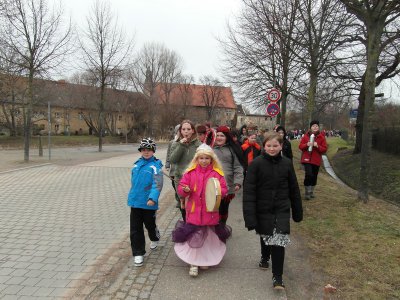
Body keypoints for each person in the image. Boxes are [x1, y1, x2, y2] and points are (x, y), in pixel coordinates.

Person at [243, 132, 303, 289]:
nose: (272, 148)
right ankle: (264, 256)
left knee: (278, 241)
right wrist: (250, 217)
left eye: (275, 145)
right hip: (263, 209)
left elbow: (294, 189)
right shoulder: (256, 164)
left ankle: (277, 277)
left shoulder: (287, 163)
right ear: (264, 146)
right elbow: (249, 192)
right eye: (268, 145)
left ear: (281, 146)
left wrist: (297, 211)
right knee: (266, 235)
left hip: (282, 208)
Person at [172, 144, 231, 277]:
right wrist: (184, 189)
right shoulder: (190, 173)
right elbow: (181, 189)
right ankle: (193, 262)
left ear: (211, 159)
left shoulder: (217, 173)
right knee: (195, 237)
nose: (204, 161)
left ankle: (204, 258)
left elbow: (224, 190)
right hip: (193, 211)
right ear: (197, 159)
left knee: (208, 238)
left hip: (209, 212)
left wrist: (217, 191)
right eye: (201, 158)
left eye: (207, 158)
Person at [127, 138, 163, 267]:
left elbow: (157, 184)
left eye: (149, 150)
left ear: (153, 151)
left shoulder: (155, 166)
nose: (146, 152)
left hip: (149, 203)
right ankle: (138, 253)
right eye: (143, 150)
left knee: (150, 225)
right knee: (135, 229)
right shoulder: (136, 165)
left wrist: (152, 198)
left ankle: (154, 237)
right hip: (135, 202)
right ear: (140, 151)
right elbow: (134, 183)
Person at [169, 120, 202, 220]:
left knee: (195, 204)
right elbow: (173, 160)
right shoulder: (176, 144)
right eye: (183, 129)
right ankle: (186, 226)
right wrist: (181, 145)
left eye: (188, 129)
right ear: (180, 131)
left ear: (193, 131)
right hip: (180, 179)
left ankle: (195, 227)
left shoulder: (199, 145)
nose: (186, 131)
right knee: (183, 204)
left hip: (195, 179)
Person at [213, 126, 244, 224]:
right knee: (213, 209)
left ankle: (222, 228)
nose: (219, 138)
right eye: (217, 135)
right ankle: (213, 228)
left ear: (226, 137)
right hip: (212, 185)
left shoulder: (232, 150)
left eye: (221, 136)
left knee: (223, 209)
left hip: (227, 185)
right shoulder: (210, 149)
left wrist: (238, 182)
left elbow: (238, 167)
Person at [299, 120, 328, 200]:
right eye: (313, 126)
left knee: (314, 176)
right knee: (309, 174)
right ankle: (307, 192)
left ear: (318, 128)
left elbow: (324, 149)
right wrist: (306, 144)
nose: (315, 127)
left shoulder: (321, 137)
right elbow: (300, 146)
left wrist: (317, 146)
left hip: (316, 160)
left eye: (316, 126)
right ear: (310, 127)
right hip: (307, 159)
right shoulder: (305, 136)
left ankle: (311, 191)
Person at [166, 124, 181, 208]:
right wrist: (167, 164)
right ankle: (178, 198)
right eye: (178, 131)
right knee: (174, 184)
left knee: (180, 184)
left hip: (181, 168)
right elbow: (169, 154)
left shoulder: (185, 141)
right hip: (173, 169)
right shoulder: (172, 142)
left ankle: (180, 200)